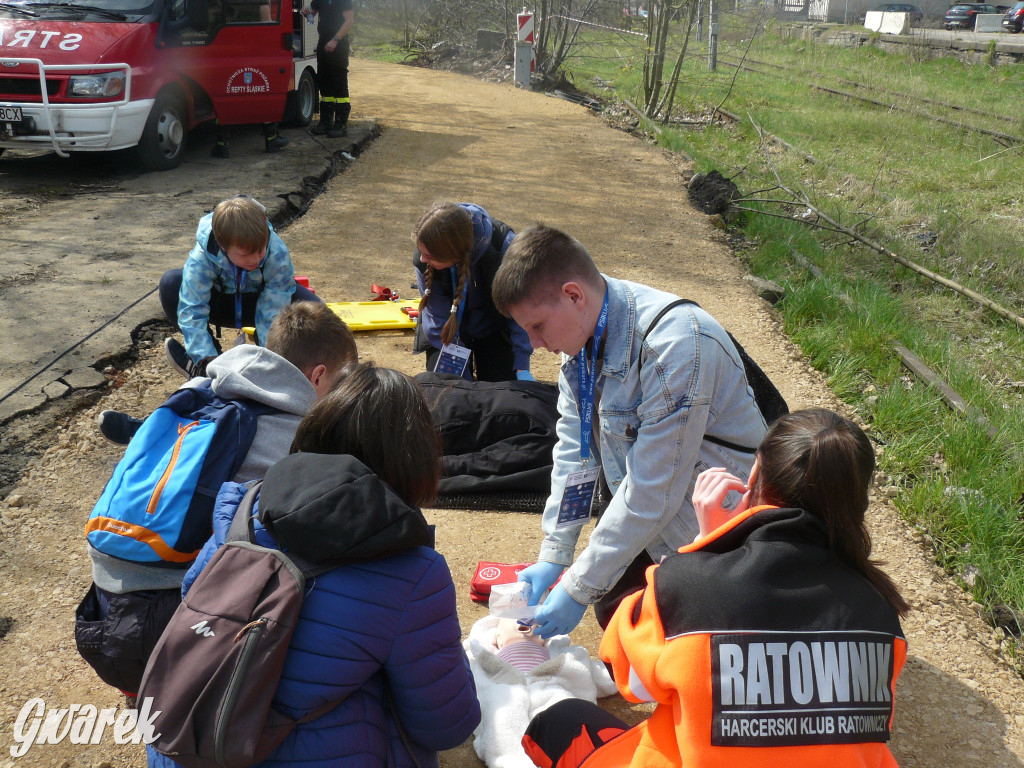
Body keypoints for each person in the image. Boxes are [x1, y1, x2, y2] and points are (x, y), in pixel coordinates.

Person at [519, 409, 911, 768]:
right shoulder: (881, 609)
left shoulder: (685, 583)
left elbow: (635, 683)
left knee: (556, 722)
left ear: (754, 476)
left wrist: (705, 546)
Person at [147, 363, 481, 768]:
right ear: (413, 461)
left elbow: (193, 600)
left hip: (189, 744)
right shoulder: (413, 571)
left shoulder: (243, 506)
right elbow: (446, 725)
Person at [490, 225, 766, 638]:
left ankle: (746, 600)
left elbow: (654, 489)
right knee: (617, 613)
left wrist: (577, 587)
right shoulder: (581, 341)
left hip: (722, 523)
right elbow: (575, 453)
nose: (532, 344)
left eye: (538, 326)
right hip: (666, 505)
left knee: (675, 636)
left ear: (573, 295)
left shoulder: (673, 346)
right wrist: (556, 552)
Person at [77, 302, 358, 698]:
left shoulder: (199, 387)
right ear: (318, 376)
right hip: (170, 629)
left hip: (99, 614)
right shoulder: (294, 433)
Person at [159, 195, 321, 379]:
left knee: (315, 310)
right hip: (221, 305)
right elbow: (193, 309)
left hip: (260, 302)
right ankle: (203, 368)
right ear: (223, 246)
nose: (255, 259)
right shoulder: (201, 259)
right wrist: (208, 359)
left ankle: (291, 369)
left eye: (261, 250)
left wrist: (268, 359)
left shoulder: (276, 251)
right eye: (245, 254)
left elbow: (274, 307)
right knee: (171, 283)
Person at [413, 202, 533, 382]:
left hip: (495, 330)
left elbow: (521, 312)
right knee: (449, 390)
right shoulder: (424, 259)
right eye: (421, 253)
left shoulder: (505, 248)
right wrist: (464, 383)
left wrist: (521, 364)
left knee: (501, 391)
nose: (423, 259)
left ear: (454, 255)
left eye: (429, 256)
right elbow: (436, 319)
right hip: (446, 334)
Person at [302, 0, 353, 138]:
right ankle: (325, 122)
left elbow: (349, 21)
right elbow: (312, 14)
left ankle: (341, 125)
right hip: (323, 42)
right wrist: (308, 15)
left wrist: (335, 40)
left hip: (339, 44)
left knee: (339, 82)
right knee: (324, 82)